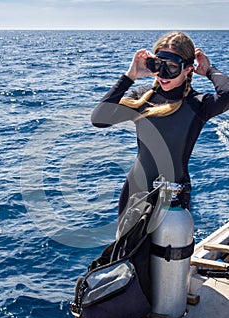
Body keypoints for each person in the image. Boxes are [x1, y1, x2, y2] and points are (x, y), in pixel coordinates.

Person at [91, 31, 229, 222]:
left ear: (188, 69)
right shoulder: (141, 97)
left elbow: (227, 95)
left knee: (172, 250)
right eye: (158, 65)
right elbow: (99, 119)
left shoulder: (197, 104)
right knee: (127, 251)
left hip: (174, 198)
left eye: (172, 67)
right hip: (135, 193)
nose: (163, 75)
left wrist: (209, 69)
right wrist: (130, 76)